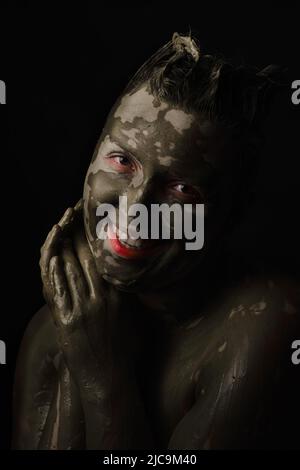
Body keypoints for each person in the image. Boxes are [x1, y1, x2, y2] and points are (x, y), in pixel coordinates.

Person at [13, 33, 300, 449]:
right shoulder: (54, 327)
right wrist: (75, 343)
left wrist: (101, 375)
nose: (136, 210)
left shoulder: (267, 327)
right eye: (121, 161)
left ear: (232, 213)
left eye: (183, 189)